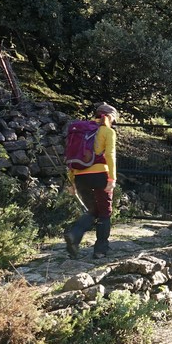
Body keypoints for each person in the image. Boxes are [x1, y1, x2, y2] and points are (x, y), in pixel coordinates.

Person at [64, 103, 118, 259]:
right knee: (105, 212)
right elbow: (110, 155)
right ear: (109, 117)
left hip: (80, 176)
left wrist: (72, 182)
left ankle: (74, 234)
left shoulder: (81, 131)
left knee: (93, 210)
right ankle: (100, 250)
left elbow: (71, 156)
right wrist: (112, 178)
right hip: (100, 175)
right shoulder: (107, 131)